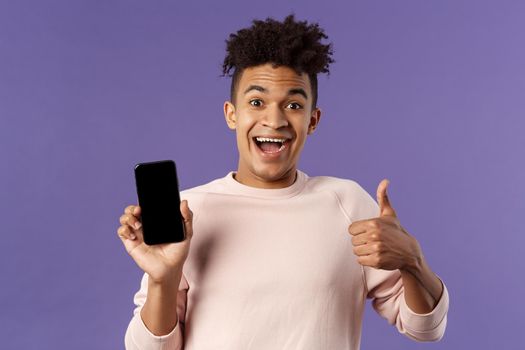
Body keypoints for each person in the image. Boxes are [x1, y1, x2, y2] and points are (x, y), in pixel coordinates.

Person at [117, 14, 449, 350]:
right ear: (232, 114)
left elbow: (426, 329)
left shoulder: (347, 204)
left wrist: (412, 261)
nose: (274, 120)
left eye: (293, 104)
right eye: (257, 102)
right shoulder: (188, 212)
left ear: (312, 120)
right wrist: (163, 278)